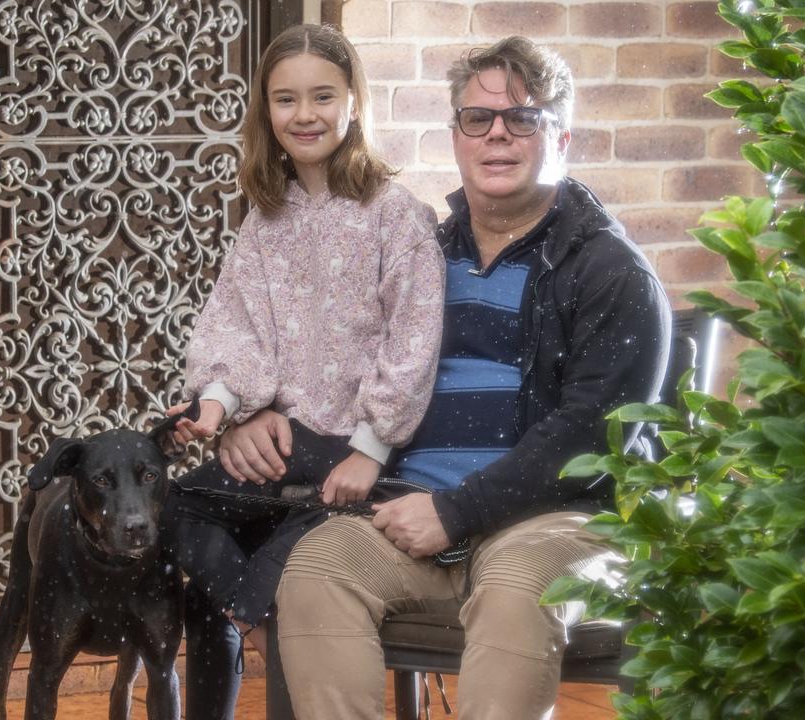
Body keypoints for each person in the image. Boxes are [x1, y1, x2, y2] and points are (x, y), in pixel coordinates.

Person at [217, 36, 673, 719]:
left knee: (518, 584)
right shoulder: (420, 248)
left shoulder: (609, 271)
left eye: (523, 119)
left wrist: (458, 511)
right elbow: (320, 351)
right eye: (477, 119)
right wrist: (252, 410)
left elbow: (592, 437)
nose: (498, 136)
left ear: (562, 136)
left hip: (558, 522)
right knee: (315, 569)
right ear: (455, 134)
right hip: (410, 511)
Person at [161, 23, 446, 718]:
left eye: (323, 96)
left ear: (354, 102)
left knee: (288, 561)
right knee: (168, 511)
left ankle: (259, 611)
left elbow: (414, 342)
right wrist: (220, 411)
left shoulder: (397, 218)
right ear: (267, 112)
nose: (306, 115)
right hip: (281, 446)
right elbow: (238, 327)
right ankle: (254, 616)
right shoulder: (265, 220)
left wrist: (371, 448)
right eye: (286, 100)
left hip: (356, 455)